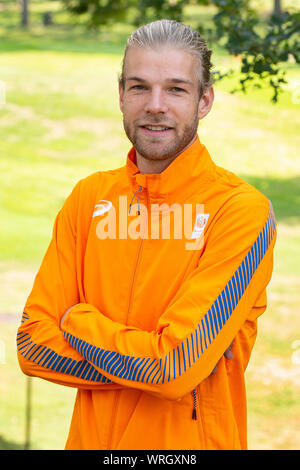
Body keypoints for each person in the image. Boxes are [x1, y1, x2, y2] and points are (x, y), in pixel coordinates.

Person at [16, 19, 276, 450]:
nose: (156, 105)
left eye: (176, 89)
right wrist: (151, 363)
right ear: (121, 95)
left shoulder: (239, 211)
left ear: (204, 99)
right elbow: (32, 345)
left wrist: (76, 320)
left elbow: (175, 369)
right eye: (139, 87)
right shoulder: (89, 198)